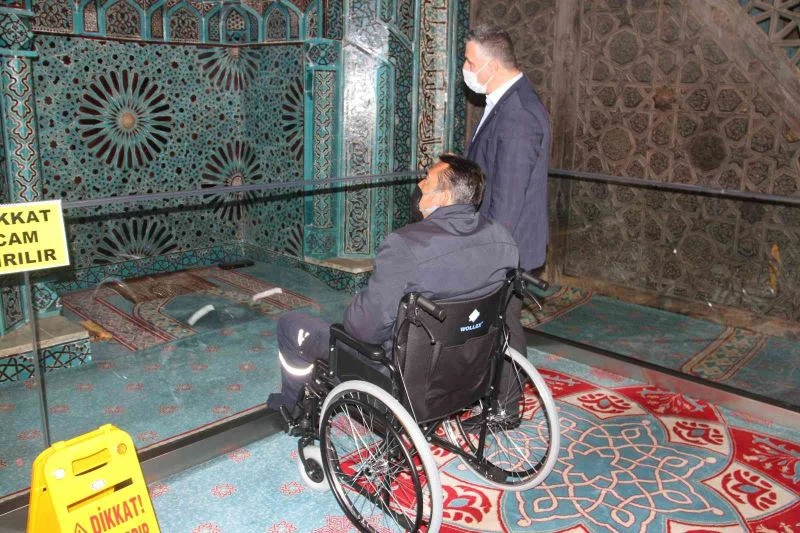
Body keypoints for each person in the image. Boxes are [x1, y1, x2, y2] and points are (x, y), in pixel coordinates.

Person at [268, 154, 519, 414]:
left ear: (444, 197)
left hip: (406, 377)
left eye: (427, 180)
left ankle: (293, 408)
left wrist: (359, 305)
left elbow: (363, 330)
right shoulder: (502, 238)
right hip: (471, 369)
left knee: (291, 324)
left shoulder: (406, 245)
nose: (419, 185)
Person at [463, 24, 551, 358]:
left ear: (492, 65)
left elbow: (507, 200)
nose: (466, 69)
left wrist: (487, 255)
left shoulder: (518, 115)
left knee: (504, 328)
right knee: (495, 326)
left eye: (470, 62)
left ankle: (509, 391)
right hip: (498, 242)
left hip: (505, 247)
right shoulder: (506, 101)